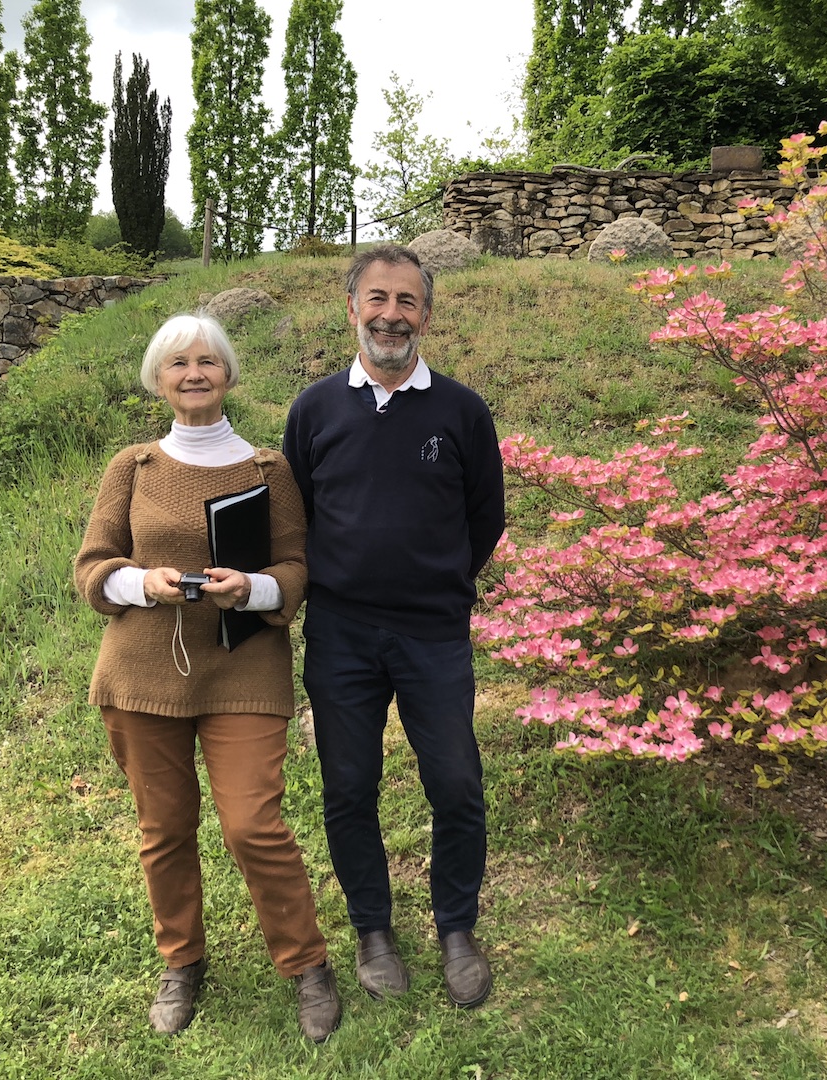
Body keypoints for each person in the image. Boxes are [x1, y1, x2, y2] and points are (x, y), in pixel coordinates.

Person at [74, 313, 342, 1042]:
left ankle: (306, 963)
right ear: (159, 379)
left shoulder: (266, 469)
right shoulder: (133, 468)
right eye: (178, 363)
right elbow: (92, 568)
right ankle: (182, 961)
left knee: (254, 824)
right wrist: (140, 581)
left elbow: (296, 568)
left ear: (228, 374)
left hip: (242, 668)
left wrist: (249, 588)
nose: (194, 373)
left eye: (208, 361)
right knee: (163, 830)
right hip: (141, 674)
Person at [282, 244, 505, 1008]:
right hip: (341, 635)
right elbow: (296, 517)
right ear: (351, 308)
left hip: (433, 635)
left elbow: (486, 517)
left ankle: (456, 929)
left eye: (407, 301)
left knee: (456, 784)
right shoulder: (314, 410)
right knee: (349, 788)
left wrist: (435, 581)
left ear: (427, 315)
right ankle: (372, 930)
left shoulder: (462, 411)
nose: (391, 314)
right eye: (377, 298)